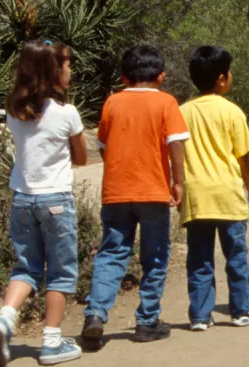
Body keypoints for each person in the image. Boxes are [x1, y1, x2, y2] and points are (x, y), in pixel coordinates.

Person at [0, 40, 89, 367]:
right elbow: (83, 157)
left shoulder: (14, 110)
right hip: (56, 200)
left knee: (26, 267)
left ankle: (5, 318)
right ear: (53, 71)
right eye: (67, 65)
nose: (70, 70)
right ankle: (51, 341)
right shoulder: (66, 113)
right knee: (60, 271)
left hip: (22, 199)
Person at [80, 46, 188, 350]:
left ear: (123, 76)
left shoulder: (112, 103)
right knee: (154, 256)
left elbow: (102, 145)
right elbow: (176, 145)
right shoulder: (167, 102)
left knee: (112, 252)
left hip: (116, 192)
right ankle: (147, 321)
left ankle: (95, 314)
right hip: (153, 192)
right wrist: (177, 181)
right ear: (161, 76)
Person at [179, 45, 249, 329]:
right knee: (236, 256)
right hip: (228, 195)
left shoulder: (183, 112)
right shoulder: (232, 112)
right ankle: (241, 310)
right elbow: (245, 157)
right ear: (220, 78)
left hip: (196, 197)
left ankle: (201, 316)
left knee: (200, 259)